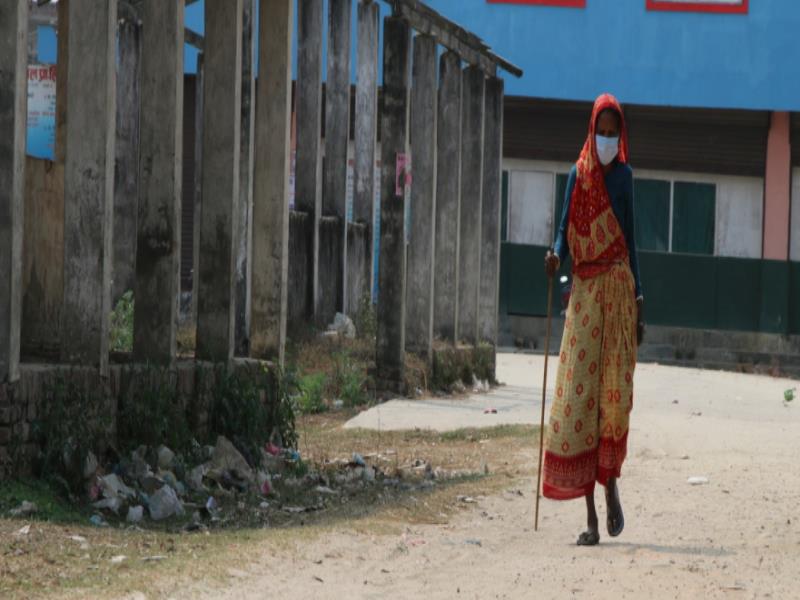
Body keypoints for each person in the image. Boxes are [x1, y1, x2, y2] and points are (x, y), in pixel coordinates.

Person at [542, 93, 644, 546]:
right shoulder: (576, 175)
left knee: (612, 397)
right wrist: (554, 256)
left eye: (612, 131)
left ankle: (612, 485)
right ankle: (589, 521)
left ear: (620, 134)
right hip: (583, 294)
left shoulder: (624, 177)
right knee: (579, 402)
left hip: (619, 293)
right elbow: (564, 229)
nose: (606, 138)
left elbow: (633, 240)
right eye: (600, 130)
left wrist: (639, 297)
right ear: (591, 130)